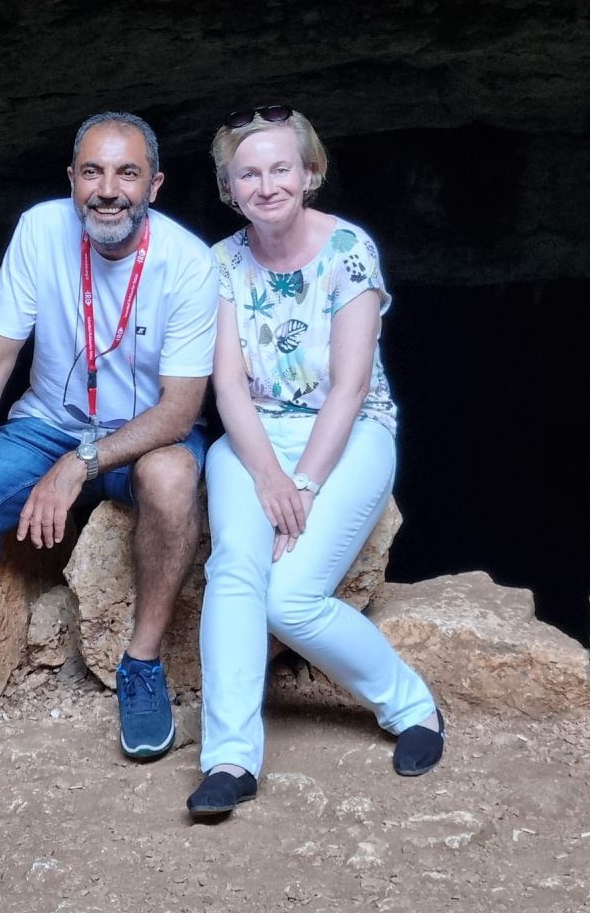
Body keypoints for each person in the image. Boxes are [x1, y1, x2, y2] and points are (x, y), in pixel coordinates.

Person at [0, 112, 218, 790]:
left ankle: (143, 665)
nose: (108, 189)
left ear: (155, 184)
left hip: (142, 433)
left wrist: (83, 464)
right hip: (47, 427)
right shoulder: (41, 230)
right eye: (92, 171)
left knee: (175, 477)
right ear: (71, 180)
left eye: (127, 173)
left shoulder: (189, 264)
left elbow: (180, 410)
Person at [187, 105, 443, 818]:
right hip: (253, 438)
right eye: (249, 174)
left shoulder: (349, 250)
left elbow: (352, 385)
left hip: (350, 432)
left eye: (280, 168)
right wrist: (268, 476)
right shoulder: (221, 263)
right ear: (229, 187)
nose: (266, 185)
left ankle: (412, 707)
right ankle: (230, 760)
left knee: (289, 596)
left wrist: (303, 486)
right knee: (236, 566)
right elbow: (229, 384)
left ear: (309, 172)